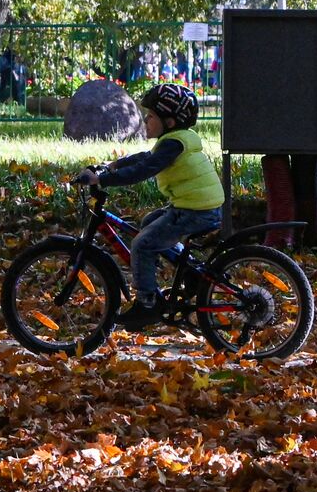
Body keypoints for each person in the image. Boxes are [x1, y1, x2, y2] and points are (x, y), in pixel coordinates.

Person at [76, 83, 225, 329]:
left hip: (195, 211)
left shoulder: (173, 143)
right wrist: (113, 164)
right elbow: (147, 158)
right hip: (195, 206)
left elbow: (145, 169)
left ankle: (147, 304)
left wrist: (102, 179)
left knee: (143, 244)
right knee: (148, 224)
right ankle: (192, 274)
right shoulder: (174, 141)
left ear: (169, 122)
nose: (146, 119)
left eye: (152, 115)